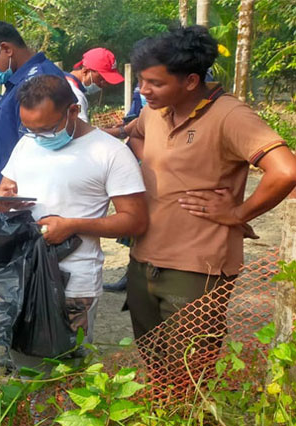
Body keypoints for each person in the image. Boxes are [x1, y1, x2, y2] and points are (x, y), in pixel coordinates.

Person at [111, 26, 296, 338]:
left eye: (155, 82)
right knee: (154, 362)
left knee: (188, 372)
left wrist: (238, 213)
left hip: (196, 267)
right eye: (141, 80)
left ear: (191, 81)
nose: (143, 90)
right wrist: (155, 170)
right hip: (143, 259)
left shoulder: (230, 116)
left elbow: (286, 171)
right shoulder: (155, 112)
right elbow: (136, 133)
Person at [0, 75, 148, 341]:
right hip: (24, 274)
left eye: (47, 128)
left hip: (75, 284)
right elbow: (3, 191)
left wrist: (73, 225)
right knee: (24, 367)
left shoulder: (109, 153)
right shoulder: (27, 143)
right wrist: (1, 200)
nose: (39, 137)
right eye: (31, 129)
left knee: (70, 369)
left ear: (73, 111)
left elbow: (135, 221)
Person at [0, 20, 67, 223]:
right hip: (11, 199)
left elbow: (38, 145)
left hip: (28, 204)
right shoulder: (14, 82)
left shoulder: (40, 80)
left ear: (6, 49)